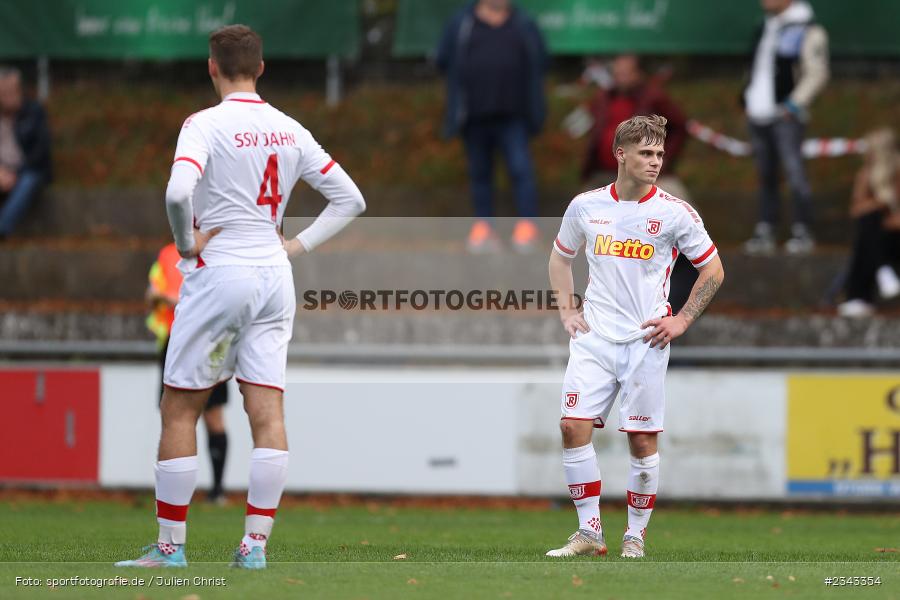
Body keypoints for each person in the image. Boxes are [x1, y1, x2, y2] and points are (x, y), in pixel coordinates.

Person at [116, 24, 365, 570]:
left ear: (212, 67)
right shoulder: (290, 128)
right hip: (274, 276)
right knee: (266, 410)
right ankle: (254, 547)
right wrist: (295, 246)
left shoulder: (203, 125)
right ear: (261, 67)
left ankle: (170, 549)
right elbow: (351, 199)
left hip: (220, 272)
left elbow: (178, 192)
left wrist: (186, 245)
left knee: (180, 407)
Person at [546, 115, 724, 558]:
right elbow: (560, 258)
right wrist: (567, 309)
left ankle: (635, 536)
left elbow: (713, 270)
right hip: (594, 338)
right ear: (620, 154)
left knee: (642, 441)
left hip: (645, 342)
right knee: (571, 426)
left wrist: (681, 320)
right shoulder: (586, 206)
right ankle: (589, 531)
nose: (655, 161)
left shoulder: (674, 212)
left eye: (659, 153)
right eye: (646, 153)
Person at [436, 0, 547, 252]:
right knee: (480, 174)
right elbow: (444, 60)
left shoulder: (524, 23)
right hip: (473, 117)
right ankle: (484, 229)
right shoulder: (461, 23)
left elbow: (540, 61)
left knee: (521, 170)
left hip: (514, 117)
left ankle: (527, 229)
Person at [742, 0, 829, 256]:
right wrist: (747, 98)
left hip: (786, 116)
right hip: (758, 113)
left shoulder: (808, 29)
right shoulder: (765, 26)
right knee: (765, 174)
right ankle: (766, 228)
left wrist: (794, 104)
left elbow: (817, 72)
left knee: (794, 172)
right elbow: (757, 68)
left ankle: (803, 230)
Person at [147, 242, 229, 504]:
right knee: (173, 416)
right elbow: (152, 293)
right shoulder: (167, 253)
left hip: (210, 340)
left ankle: (217, 491)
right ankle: (175, 495)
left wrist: (171, 299)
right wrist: (159, 297)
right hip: (174, 340)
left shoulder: (219, 249)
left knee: (212, 417)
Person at [580, 55, 688, 199]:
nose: (620, 78)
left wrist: (663, 158)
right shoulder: (603, 98)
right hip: (604, 173)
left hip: (643, 173)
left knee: (675, 199)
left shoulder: (653, 97)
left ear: (638, 74)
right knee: (582, 205)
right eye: (617, 74)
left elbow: (679, 127)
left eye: (625, 73)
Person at [837, 128, 900, 317]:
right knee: (868, 226)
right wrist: (880, 204)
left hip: (894, 233)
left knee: (866, 239)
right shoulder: (866, 174)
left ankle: (859, 295)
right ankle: (882, 270)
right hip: (880, 232)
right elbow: (857, 208)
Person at [0, 67, 51, 239]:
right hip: (2, 171)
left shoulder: (34, 112)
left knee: (28, 181)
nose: (8, 96)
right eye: (4, 92)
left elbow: (41, 150)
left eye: (12, 91)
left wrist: (15, 173)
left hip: (28, 169)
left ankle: (2, 228)